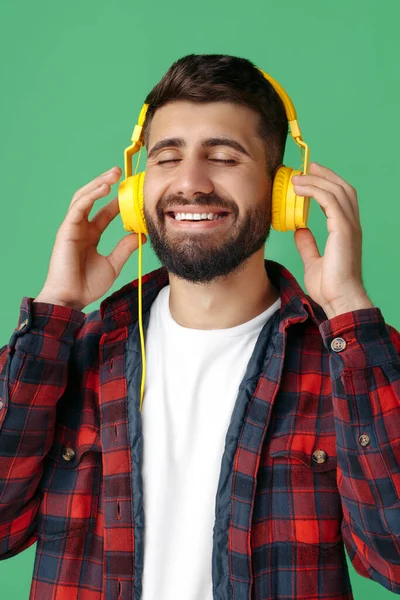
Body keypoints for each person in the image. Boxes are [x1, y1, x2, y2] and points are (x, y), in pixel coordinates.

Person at [0, 53, 399, 600]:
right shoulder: (74, 355)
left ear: (282, 191)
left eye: (223, 156)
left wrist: (349, 308)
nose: (190, 182)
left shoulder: (345, 363)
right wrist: (56, 307)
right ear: (137, 194)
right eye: (167, 158)